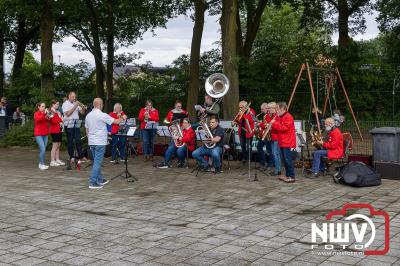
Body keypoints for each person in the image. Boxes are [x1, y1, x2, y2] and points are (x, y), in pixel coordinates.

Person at [85, 98, 122, 189]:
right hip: (100, 142)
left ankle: (100, 179)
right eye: (102, 105)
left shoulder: (88, 115)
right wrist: (121, 117)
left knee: (96, 162)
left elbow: (87, 129)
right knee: (98, 162)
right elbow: (116, 122)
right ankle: (93, 182)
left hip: (92, 142)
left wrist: (90, 140)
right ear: (100, 105)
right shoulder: (102, 115)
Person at [271, 102, 296, 183]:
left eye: (277, 108)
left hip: (286, 141)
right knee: (285, 160)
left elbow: (284, 128)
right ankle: (288, 175)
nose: (276, 110)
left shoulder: (288, 117)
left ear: (282, 109)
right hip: (282, 141)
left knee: (288, 159)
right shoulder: (280, 116)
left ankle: (291, 176)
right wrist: (271, 125)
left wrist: (274, 123)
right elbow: (278, 128)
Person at [62, 91, 87, 164]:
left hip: (76, 123)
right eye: (73, 97)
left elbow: (82, 113)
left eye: (75, 97)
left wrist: (83, 108)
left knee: (78, 140)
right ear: (69, 96)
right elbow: (68, 114)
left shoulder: (75, 103)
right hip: (68, 124)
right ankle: (72, 157)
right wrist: (75, 106)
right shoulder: (65, 104)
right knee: (70, 141)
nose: (74, 98)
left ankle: (81, 156)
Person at [256, 103, 274, 170]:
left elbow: (267, 125)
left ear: (266, 108)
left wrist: (260, 124)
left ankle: (270, 164)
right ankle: (263, 162)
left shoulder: (269, 115)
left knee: (269, 150)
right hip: (265, 134)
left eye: (262, 109)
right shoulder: (265, 116)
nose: (261, 110)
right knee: (259, 146)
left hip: (269, 134)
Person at [34, 102, 51, 170]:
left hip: (45, 133)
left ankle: (41, 164)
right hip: (38, 134)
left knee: (42, 150)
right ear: (38, 107)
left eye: (44, 106)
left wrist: (49, 114)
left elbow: (50, 120)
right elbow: (38, 119)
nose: (44, 108)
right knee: (43, 149)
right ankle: (42, 164)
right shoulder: (36, 113)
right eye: (42, 106)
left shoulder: (45, 113)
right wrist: (44, 113)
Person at [49, 100, 65, 167]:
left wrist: (61, 120)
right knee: (54, 146)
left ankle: (57, 159)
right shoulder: (51, 111)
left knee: (58, 145)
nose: (58, 106)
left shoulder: (58, 112)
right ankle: (52, 161)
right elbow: (52, 121)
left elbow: (60, 120)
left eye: (58, 104)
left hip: (59, 130)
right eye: (57, 104)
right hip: (54, 130)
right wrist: (61, 119)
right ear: (53, 104)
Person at [268, 102, 282, 176]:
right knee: (275, 154)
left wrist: (271, 125)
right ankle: (278, 169)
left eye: (270, 108)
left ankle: (278, 170)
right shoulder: (274, 116)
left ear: (274, 108)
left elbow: (279, 126)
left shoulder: (277, 116)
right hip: (273, 137)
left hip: (276, 137)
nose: (269, 110)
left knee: (276, 154)